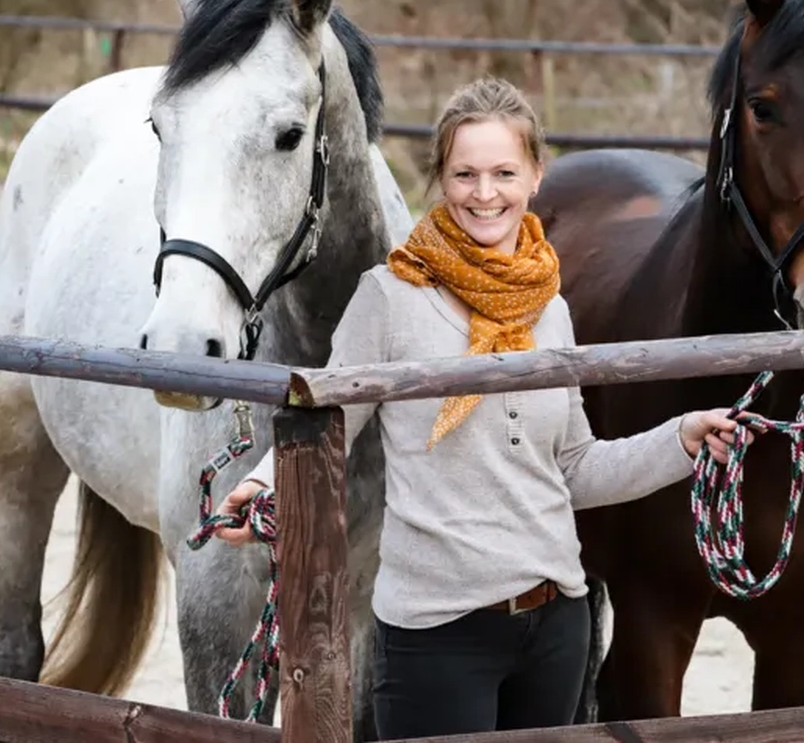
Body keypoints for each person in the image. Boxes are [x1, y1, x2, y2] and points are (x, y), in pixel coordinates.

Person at [216, 76, 750, 738]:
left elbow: (574, 469)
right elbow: (332, 418)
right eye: (464, 173)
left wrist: (681, 441)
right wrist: (264, 484)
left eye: (504, 172)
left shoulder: (550, 309)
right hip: (438, 632)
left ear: (535, 178)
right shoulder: (391, 298)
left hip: (556, 624)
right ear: (440, 178)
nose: (485, 193)